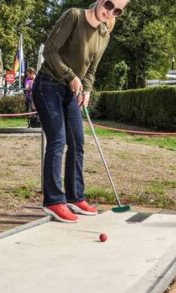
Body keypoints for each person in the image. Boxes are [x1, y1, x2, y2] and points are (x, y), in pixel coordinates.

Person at [34, 0, 128, 223]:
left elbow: (91, 70)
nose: (109, 11)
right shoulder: (74, 16)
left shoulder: (105, 35)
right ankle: (54, 201)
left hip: (71, 92)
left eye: (117, 10)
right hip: (48, 85)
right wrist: (70, 76)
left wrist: (86, 89)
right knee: (58, 140)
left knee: (77, 142)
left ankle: (75, 197)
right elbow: (50, 51)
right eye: (109, 4)